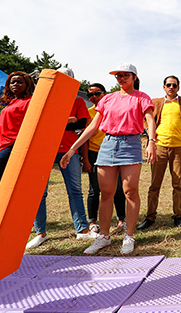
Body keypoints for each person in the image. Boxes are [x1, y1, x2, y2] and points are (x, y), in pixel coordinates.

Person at [61, 63, 156, 255]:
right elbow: (93, 126)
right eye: (118, 76)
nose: (121, 79)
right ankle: (103, 236)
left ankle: (128, 235)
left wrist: (151, 142)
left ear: (134, 77)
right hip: (108, 144)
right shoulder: (108, 99)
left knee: (130, 191)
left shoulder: (142, 97)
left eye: (126, 75)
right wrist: (73, 149)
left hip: (131, 144)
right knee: (105, 193)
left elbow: (150, 119)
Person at [27, 67, 94, 249]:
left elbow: (80, 124)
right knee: (39, 192)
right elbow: (42, 123)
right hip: (45, 148)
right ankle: (39, 232)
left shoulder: (78, 100)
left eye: (68, 78)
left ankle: (82, 230)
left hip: (69, 150)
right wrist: (68, 119)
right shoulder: (46, 98)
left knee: (75, 190)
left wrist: (60, 122)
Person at [137, 75, 181, 230]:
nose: (171, 87)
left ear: (178, 87)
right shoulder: (155, 102)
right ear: (164, 87)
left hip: (179, 147)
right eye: (168, 85)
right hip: (159, 146)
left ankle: (178, 216)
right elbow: (143, 118)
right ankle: (150, 217)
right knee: (155, 184)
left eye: (174, 85)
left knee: (178, 183)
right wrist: (149, 131)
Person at [0, 71, 35, 217]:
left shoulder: (30, 102)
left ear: (27, 84)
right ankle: (4, 217)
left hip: (12, 145)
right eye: (12, 82)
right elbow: (5, 125)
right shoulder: (12, 101)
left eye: (19, 82)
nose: (15, 84)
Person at [80, 83, 126, 235]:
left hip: (114, 152)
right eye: (90, 95)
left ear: (105, 94)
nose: (93, 97)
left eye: (97, 93)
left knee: (119, 188)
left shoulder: (114, 109)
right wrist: (86, 160)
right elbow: (85, 138)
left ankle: (121, 220)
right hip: (94, 154)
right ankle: (93, 222)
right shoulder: (89, 113)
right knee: (94, 189)